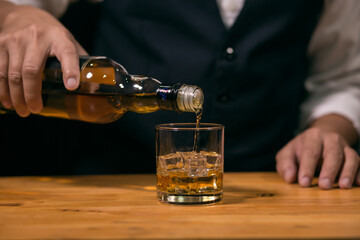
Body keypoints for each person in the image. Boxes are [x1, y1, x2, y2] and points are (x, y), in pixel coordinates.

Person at [0, 0, 359, 190]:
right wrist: (14, 12)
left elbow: (342, 78)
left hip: (270, 191)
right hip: (112, 191)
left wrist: (329, 128)